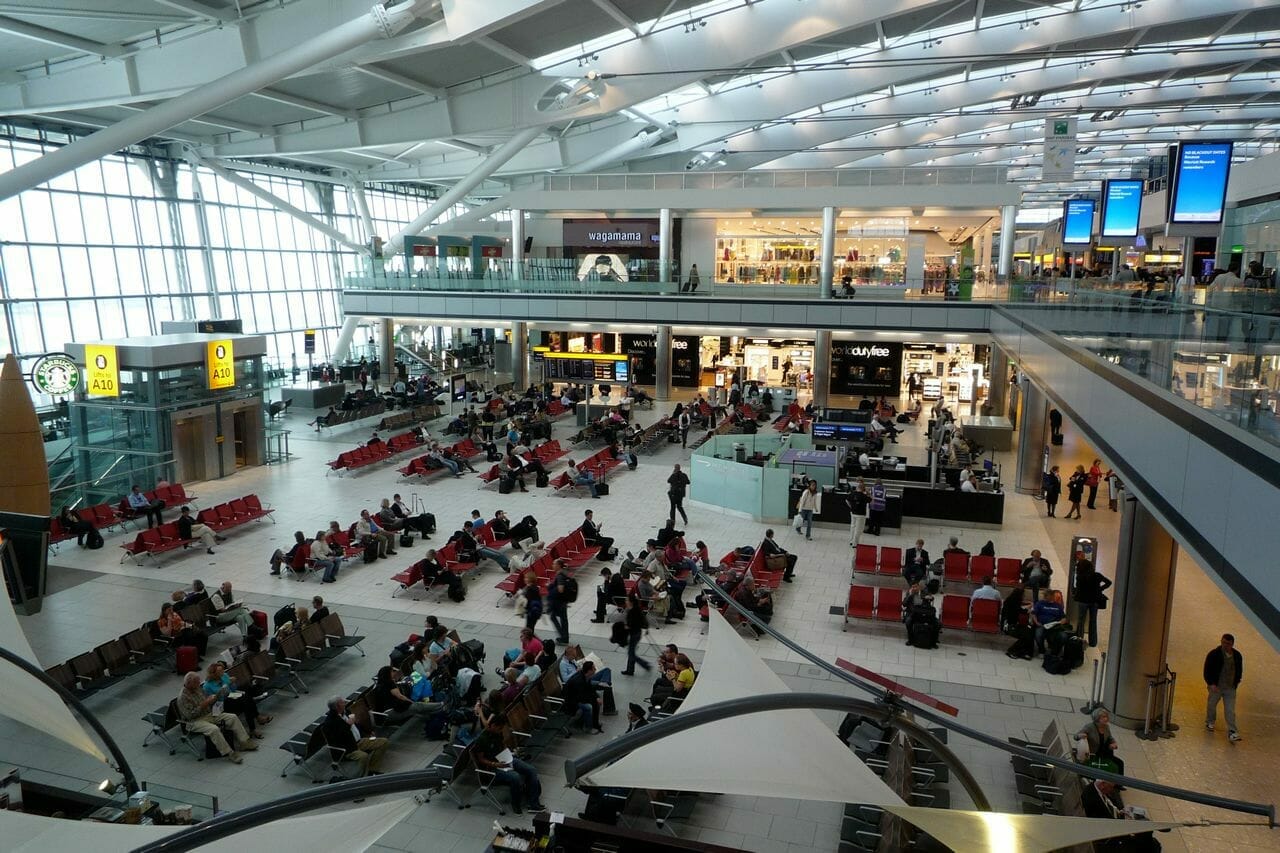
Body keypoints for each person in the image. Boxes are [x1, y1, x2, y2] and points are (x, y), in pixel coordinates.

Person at [175, 672, 256, 763]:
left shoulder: (198, 688)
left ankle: (244, 742)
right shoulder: (183, 697)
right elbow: (189, 715)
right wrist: (204, 704)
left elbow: (206, 698)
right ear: (189, 683)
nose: (199, 685)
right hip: (194, 721)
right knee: (214, 729)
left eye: (198, 682)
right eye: (197, 683)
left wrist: (213, 699)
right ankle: (229, 753)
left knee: (232, 717)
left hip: (208, 714)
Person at [473, 714, 545, 814]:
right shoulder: (482, 740)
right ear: (493, 725)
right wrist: (495, 764)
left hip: (504, 759)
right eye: (499, 728)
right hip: (492, 768)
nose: (501, 730)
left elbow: (502, 746)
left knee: (531, 770)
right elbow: (481, 759)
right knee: (515, 777)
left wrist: (509, 754)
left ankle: (534, 804)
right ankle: (515, 803)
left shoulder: (498, 733)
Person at [1080, 780, 1163, 852]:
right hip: (1113, 836)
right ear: (1103, 784)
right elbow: (1100, 823)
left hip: (1118, 822)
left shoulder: (1101, 791)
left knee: (1149, 837)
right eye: (1111, 787)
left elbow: (1110, 806)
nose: (1112, 790)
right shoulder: (1091, 797)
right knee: (1150, 841)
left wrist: (1121, 813)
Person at [322, 696, 389, 777]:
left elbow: (357, 724)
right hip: (348, 749)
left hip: (359, 741)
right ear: (337, 706)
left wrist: (368, 731)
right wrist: (348, 725)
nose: (345, 703)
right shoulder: (330, 722)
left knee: (383, 742)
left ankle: (372, 770)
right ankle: (361, 777)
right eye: (342, 702)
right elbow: (338, 738)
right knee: (363, 756)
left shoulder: (346, 711)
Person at [202, 660, 269, 735]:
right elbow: (211, 702)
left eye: (222, 670)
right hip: (221, 704)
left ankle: (253, 728)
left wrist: (232, 683)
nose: (223, 672)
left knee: (247, 701)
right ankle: (257, 719)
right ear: (214, 673)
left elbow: (233, 689)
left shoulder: (224, 676)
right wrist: (218, 695)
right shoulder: (207, 686)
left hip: (231, 696)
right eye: (220, 671)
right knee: (247, 701)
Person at [373, 665, 442, 735]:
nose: (394, 673)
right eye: (392, 672)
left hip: (385, 713)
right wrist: (411, 702)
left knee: (418, 707)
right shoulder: (389, 684)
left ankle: (439, 710)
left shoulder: (380, 685)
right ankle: (441, 706)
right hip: (390, 713)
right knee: (417, 706)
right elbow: (400, 696)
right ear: (388, 674)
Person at [1204, 633, 1243, 742]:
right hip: (1216, 686)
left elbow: (1239, 669)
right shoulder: (1214, 654)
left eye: (1228, 643)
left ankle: (1232, 731)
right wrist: (1211, 683)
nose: (1225, 645)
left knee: (1230, 710)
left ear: (1232, 644)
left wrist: (1237, 681)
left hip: (1230, 688)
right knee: (1212, 704)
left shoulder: (1237, 656)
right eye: (1224, 642)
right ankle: (1210, 721)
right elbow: (1207, 670)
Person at [1072, 556, 1112, 647]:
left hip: (1083, 600)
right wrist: (1100, 589)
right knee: (1093, 621)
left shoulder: (1080, 577)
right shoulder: (1097, 575)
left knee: (1081, 620)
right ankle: (1093, 642)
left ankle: (1079, 639)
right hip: (1094, 601)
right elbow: (1109, 582)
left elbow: (1078, 589)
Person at [1074, 706, 1124, 774]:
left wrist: (1113, 743)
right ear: (1097, 718)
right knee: (1114, 767)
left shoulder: (1106, 727)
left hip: (1104, 753)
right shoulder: (1090, 727)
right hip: (1093, 756)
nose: (1106, 719)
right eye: (1103, 717)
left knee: (1120, 763)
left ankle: (1118, 783)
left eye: (1106, 716)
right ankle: (1111, 783)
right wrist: (1080, 736)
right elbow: (1076, 736)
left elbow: (1110, 737)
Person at [563, 660, 605, 734]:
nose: (595, 670)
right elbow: (581, 697)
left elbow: (590, 688)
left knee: (595, 702)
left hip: (579, 697)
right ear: (589, 671)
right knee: (588, 707)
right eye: (594, 669)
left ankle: (595, 723)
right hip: (572, 702)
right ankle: (588, 728)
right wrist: (594, 699)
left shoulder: (586, 676)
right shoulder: (578, 680)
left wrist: (596, 697)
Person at [620, 593, 651, 676]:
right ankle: (630, 670)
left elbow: (631, 624)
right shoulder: (635, 609)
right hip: (636, 633)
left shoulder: (633, 611)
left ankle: (645, 664)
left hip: (634, 634)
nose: (626, 601)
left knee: (631, 653)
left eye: (627, 600)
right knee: (631, 652)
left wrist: (625, 627)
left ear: (631, 602)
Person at [1031, 588, 1067, 657]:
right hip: (1042, 625)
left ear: (1052, 596)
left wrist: (1063, 620)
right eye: (1045, 595)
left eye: (1047, 595)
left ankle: (1055, 651)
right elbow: (1033, 614)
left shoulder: (1058, 606)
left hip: (1055, 626)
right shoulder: (1040, 603)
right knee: (1038, 634)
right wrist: (1036, 622)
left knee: (1063, 636)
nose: (1045, 597)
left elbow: (1063, 617)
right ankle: (1041, 650)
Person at [546, 559, 572, 645]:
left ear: (558, 566)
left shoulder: (560, 576)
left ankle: (563, 637)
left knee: (554, 617)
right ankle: (565, 637)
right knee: (563, 619)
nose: (552, 565)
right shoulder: (563, 573)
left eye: (554, 564)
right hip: (563, 601)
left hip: (559, 602)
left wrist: (550, 586)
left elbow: (560, 589)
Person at [845, 479, 869, 547]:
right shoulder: (864, 496)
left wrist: (851, 506)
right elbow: (871, 500)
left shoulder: (853, 493)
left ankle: (851, 541)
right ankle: (855, 543)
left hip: (853, 512)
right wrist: (869, 494)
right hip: (861, 514)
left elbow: (846, 500)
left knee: (853, 527)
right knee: (858, 529)